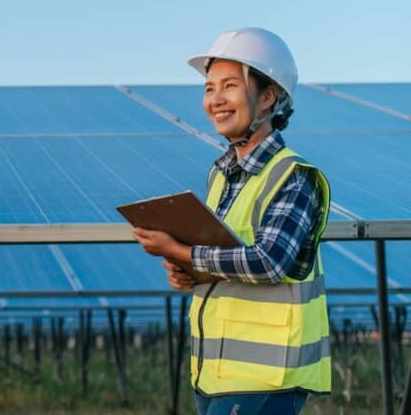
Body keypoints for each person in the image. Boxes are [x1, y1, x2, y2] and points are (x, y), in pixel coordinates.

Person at [132, 28, 331, 415]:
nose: (215, 100)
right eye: (209, 89)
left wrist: (184, 251)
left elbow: (271, 262)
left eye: (229, 86)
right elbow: (225, 256)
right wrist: (186, 268)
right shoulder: (220, 176)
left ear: (268, 97)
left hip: (267, 382)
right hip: (214, 377)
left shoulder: (293, 176)